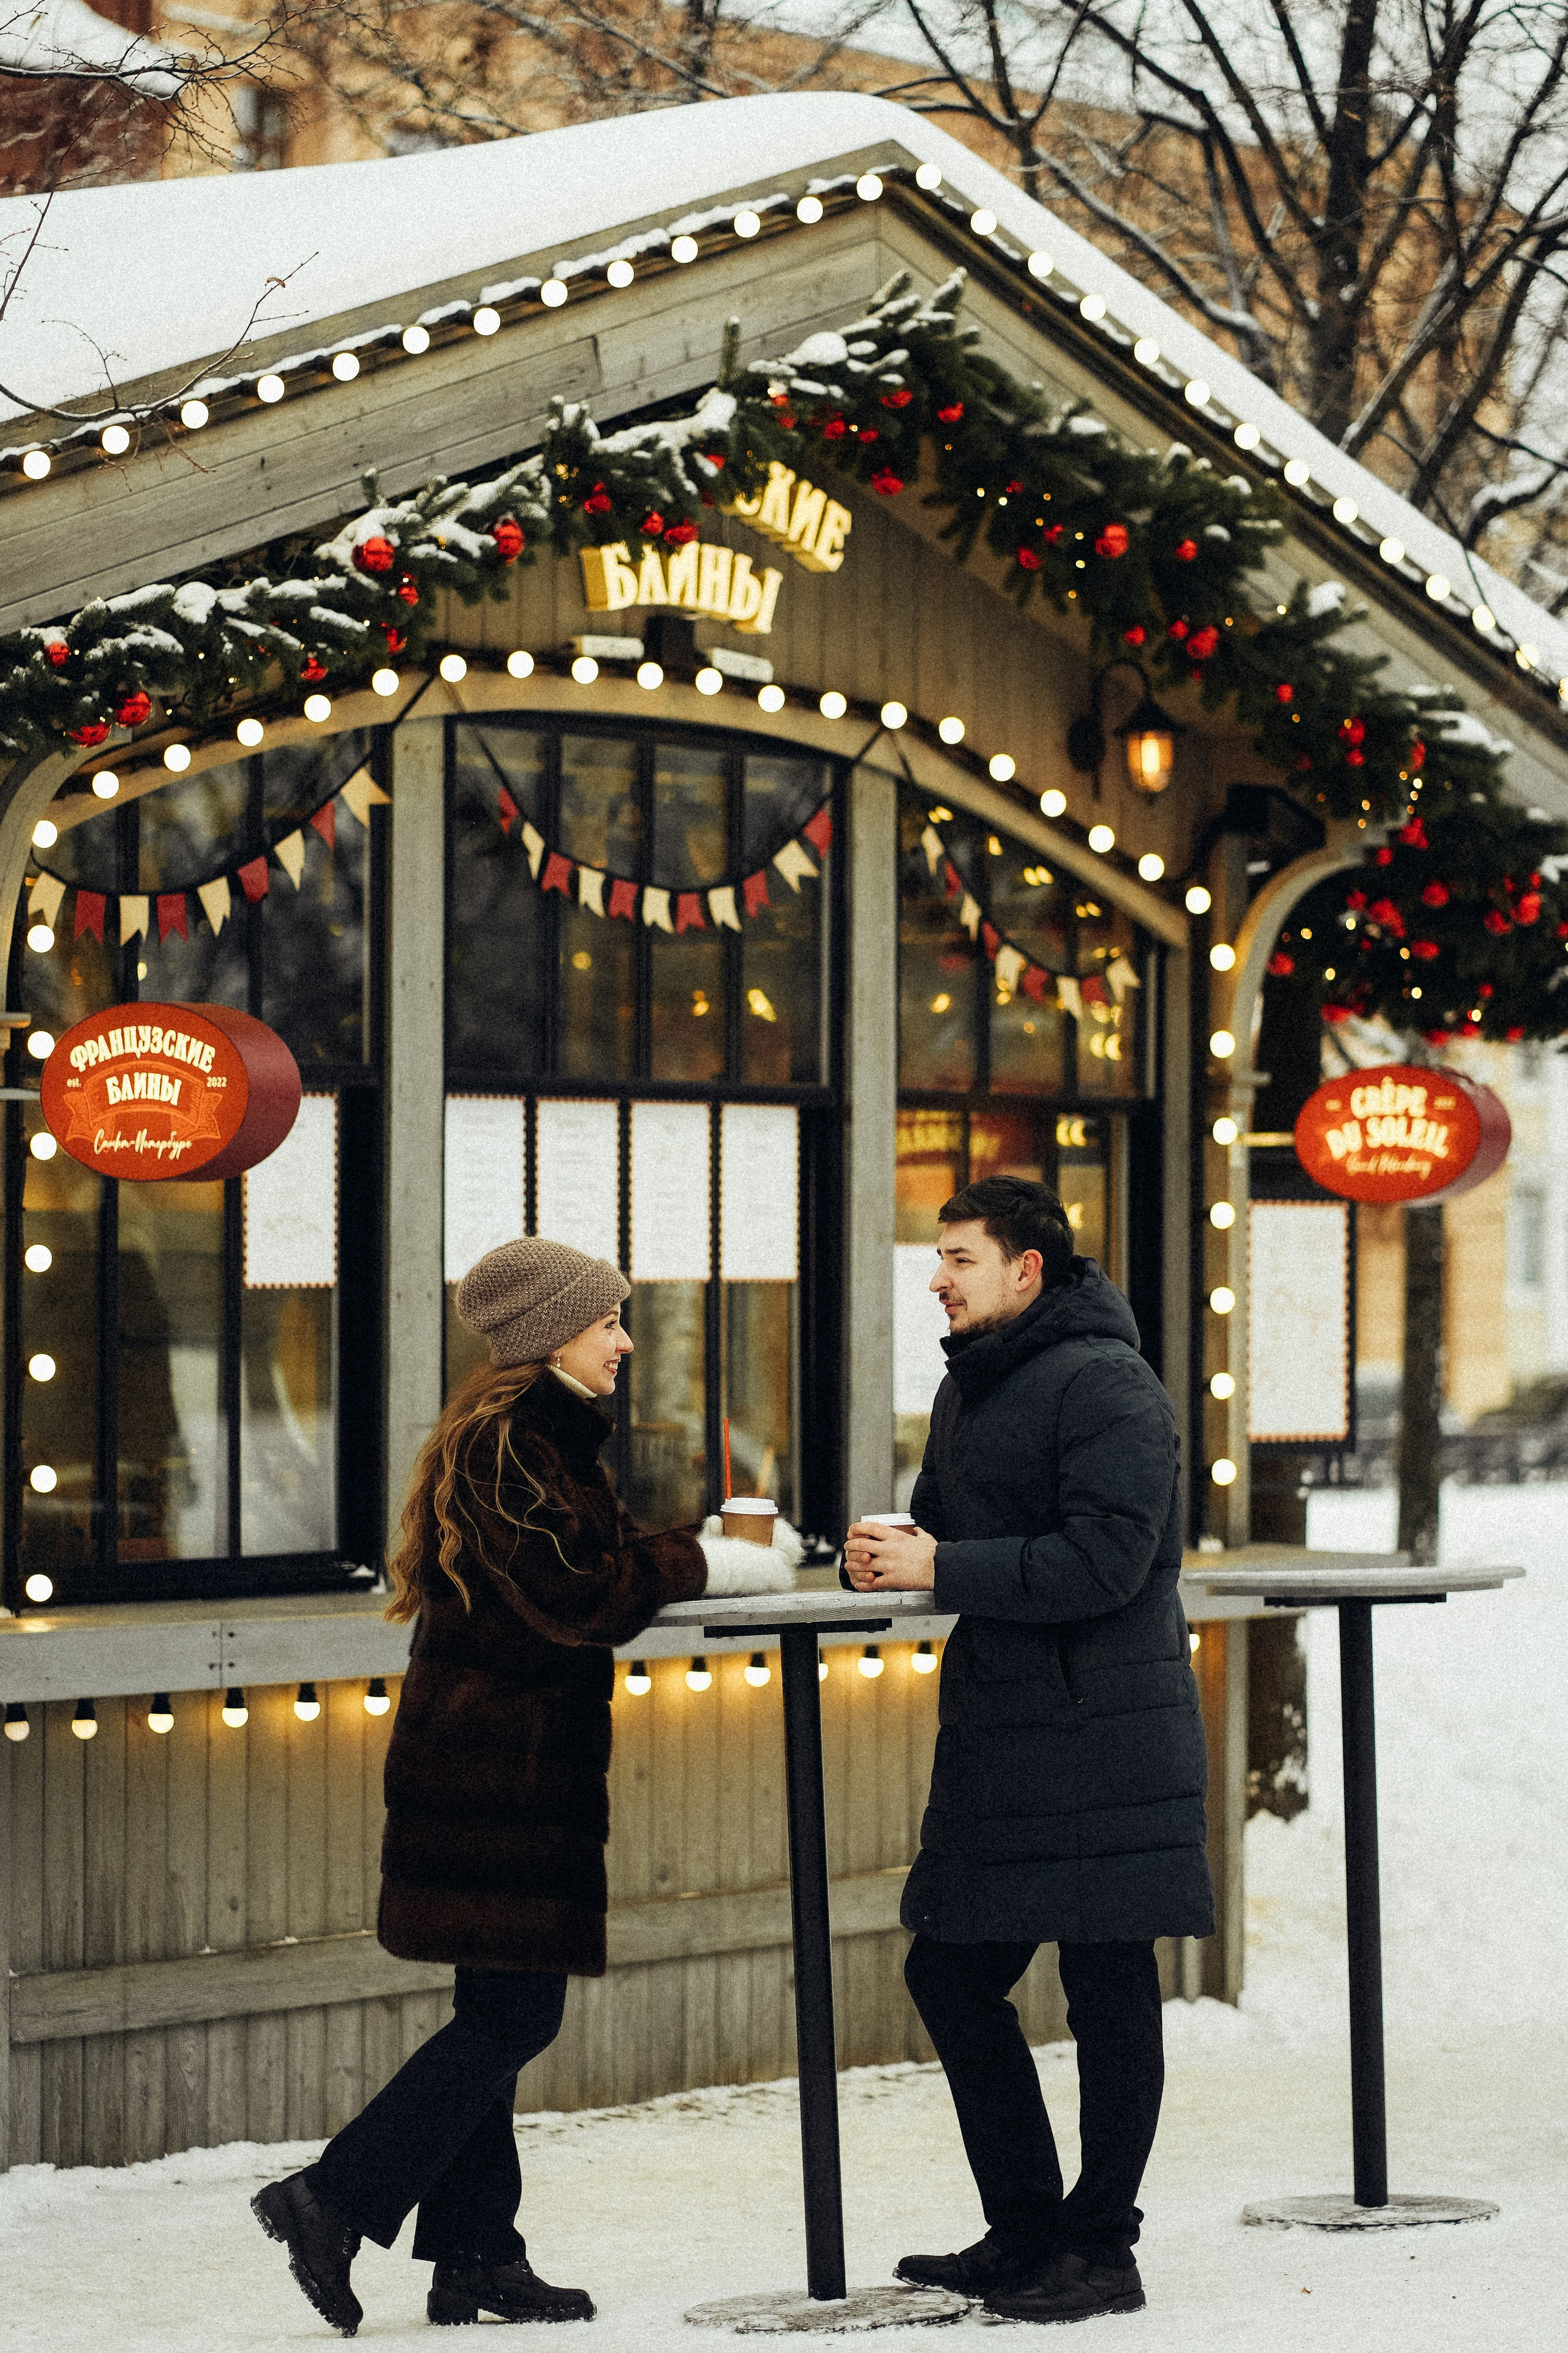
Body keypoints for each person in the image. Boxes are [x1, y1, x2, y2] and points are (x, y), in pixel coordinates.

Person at [252, 1236, 790, 2335]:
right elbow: (581, 1592)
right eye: (609, 1324)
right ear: (553, 1333)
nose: (627, 1342)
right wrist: (709, 1559)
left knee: (496, 2007)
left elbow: (579, 1572)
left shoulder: (537, 1442)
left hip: (504, 1774)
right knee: (514, 2012)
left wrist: (685, 1552)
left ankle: (479, 2255)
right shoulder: (508, 1445)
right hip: (492, 1778)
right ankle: (334, 2196)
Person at [844, 1176, 1212, 2328]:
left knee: (1106, 1983)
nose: (938, 1278)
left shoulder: (1110, 1385)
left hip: (1104, 1733)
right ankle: (1026, 2226)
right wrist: (894, 1550)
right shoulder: (975, 1387)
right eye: (937, 1258)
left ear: (1027, 1270)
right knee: (949, 1970)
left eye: (958, 1256)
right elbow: (956, 1524)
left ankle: (1102, 2246)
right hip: (1007, 1733)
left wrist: (943, 1568)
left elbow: (1108, 1560)